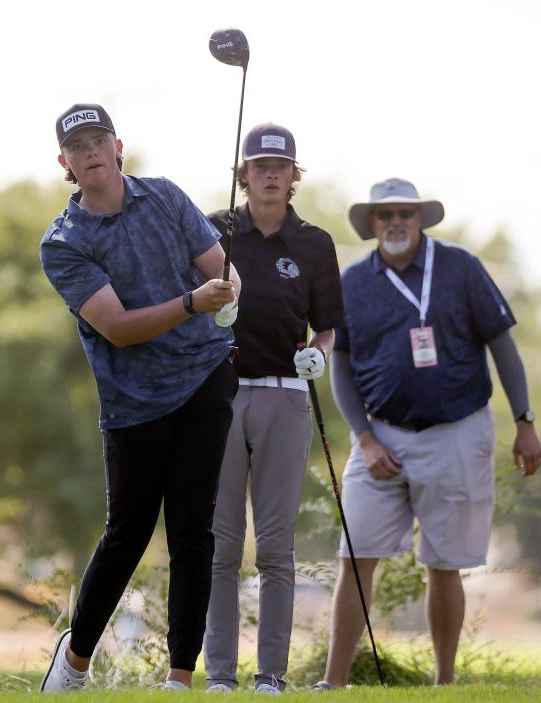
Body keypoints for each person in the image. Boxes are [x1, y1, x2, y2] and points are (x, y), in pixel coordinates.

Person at [38, 103, 241, 693]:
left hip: (205, 374)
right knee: (127, 533)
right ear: (65, 163)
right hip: (133, 399)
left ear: (118, 145)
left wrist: (229, 292)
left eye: (100, 140)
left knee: (192, 529)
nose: (92, 152)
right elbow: (119, 328)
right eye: (79, 148)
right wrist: (192, 303)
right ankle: (75, 661)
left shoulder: (166, 197)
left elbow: (220, 270)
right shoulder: (64, 242)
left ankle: (180, 678)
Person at [314, 177, 541, 689]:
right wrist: (365, 438)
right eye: (385, 214)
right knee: (354, 556)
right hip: (380, 438)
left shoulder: (460, 267)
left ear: (420, 219)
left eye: (406, 213)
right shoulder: (352, 282)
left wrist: (524, 421)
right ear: (371, 224)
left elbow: (503, 346)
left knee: (444, 564)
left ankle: (444, 681)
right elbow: (342, 366)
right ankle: (333, 683)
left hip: (457, 431)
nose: (395, 222)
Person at [202, 123, 344, 695]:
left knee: (277, 546)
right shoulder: (214, 230)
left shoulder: (314, 242)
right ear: (244, 173)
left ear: (293, 176)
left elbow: (328, 325)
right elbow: (187, 298)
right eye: (259, 165)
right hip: (221, 394)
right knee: (222, 543)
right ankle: (217, 674)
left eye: (279, 167)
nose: (269, 174)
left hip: (286, 395)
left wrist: (318, 353)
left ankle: (271, 676)